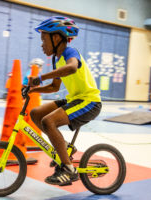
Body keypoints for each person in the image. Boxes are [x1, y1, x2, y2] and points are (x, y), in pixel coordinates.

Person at [27, 16, 102, 186]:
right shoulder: (56, 59)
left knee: (48, 121)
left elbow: (72, 67)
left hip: (89, 101)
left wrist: (40, 77)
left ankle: (68, 170)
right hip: (75, 99)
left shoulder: (70, 52)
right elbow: (54, 87)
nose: (42, 44)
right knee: (36, 113)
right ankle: (65, 148)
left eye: (44, 39)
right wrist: (33, 90)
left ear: (56, 37)